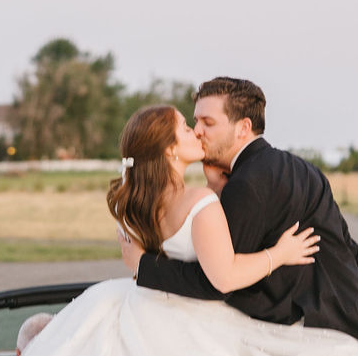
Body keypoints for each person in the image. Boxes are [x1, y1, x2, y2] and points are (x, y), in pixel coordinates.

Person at [124, 77, 358, 355]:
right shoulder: (302, 168)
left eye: (208, 122)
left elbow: (218, 282)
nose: (198, 131)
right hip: (356, 322)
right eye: (195, 122)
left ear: (243, 127)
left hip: (319, 336)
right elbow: (347, 246)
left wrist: (143, 266)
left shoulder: (246, 184)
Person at [106, 104, 321, 291]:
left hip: (149, 301)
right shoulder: (200, 201)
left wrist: (215, 185)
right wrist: (280, 254)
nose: (197, 133)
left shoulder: (131, 204)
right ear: (171, 150)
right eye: (187, 128)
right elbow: (226, 278)